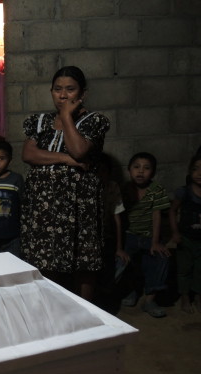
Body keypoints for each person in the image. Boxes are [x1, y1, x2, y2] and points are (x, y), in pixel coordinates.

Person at [20, 66, 110, 301]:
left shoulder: (94, 121)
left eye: (70, 90)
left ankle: (86, 313)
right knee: (46, 259)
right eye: (57, 89)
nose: (63, 95)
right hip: (44, 207)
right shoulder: (39, 122)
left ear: (82, 93)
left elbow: (79, 150)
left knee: (84, 261)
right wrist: (65, 159)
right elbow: (29, 154)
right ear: (51, 92)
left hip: (80, 206)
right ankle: (51, 308)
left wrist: (68, 117)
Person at [120, 152, 171, 318]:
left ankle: (150, 299)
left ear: (153, 173)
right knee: (125, 262)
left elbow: (157, 215)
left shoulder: (157, 190)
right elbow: (120, 217)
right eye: (136, 167)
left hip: (150, 236)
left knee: (161, 258)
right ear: (129, 170)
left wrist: (155, 242)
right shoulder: (125, 190)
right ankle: (133, 291)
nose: (141, 171)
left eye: (146, 168)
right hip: (130, 235)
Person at [95, 153, 129, 313]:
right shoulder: (86, 187)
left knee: (110, 265)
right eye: (97, 171)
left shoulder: (112, 187)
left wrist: (119, 247)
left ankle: (105, 297)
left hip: (106, 235)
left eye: (103, 171)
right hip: (89, 238)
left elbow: (117, 218)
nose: (100, 175)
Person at [168, 151, 201, 313]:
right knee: (184, 269)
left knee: (199, 269)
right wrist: (175, 232)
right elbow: (172, 211)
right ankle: (185, 296)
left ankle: (198, 295)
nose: (199, 173)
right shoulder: (184, 192)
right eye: (195, 169)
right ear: (190, 171)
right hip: (186, 238)